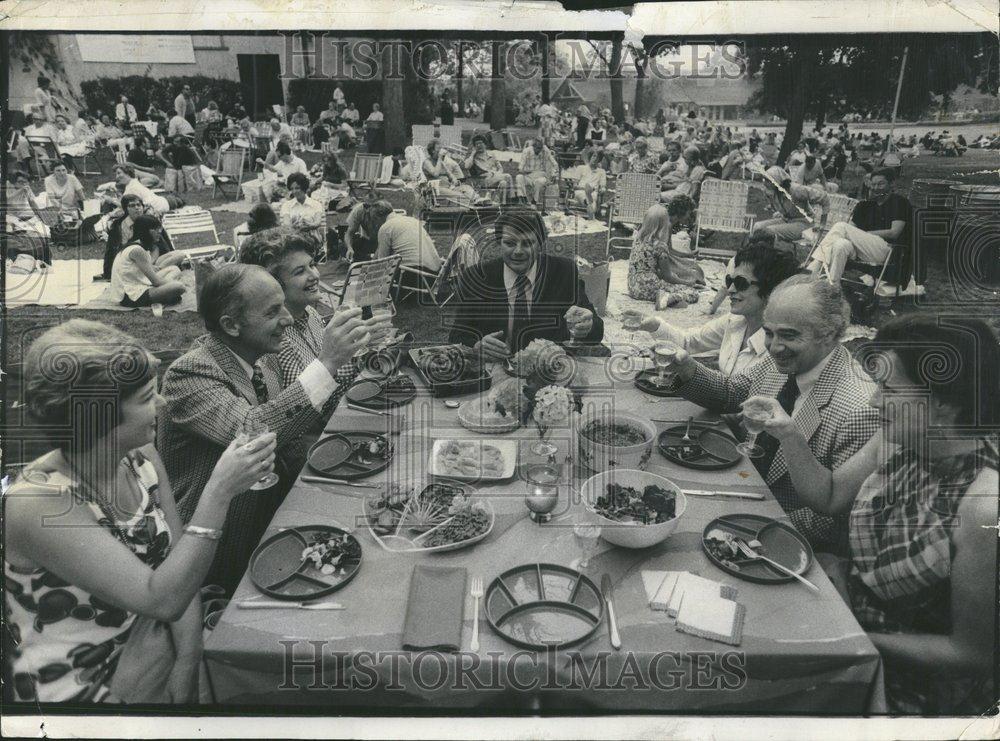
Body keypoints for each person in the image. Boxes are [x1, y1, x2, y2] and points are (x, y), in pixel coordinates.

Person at [3, 319, 276, 703]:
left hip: (158, 647)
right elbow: (161, 597)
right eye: (148, 396)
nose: (161, 403)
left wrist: (188, 662)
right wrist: (218, 493)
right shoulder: (39, 503)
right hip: (83, 691)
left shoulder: (138, 457)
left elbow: (182, 565)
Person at [750, 314, 998, 714]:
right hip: (843, 617)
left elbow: (971, 654)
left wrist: (849, 635)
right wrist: (789, 432)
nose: (873, 400)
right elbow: (828, 496)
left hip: (909, 688)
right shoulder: (901, 436)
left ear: (946, 404)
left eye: (888, 387)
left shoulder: (984, 505)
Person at [157, 263, 372, 591]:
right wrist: (327, 364)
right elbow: (253, 432)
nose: (287, 318)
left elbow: (292, 433)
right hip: (219, 555)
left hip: (273, 526)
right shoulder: (189, 375)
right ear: (231, 325)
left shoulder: (260, 359)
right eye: (273, 311)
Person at [661, 274, 880, 553]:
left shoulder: (858, 409)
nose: (773, 347)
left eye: (789, 335)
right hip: (736, 487)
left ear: (829, 334)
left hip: (773, 538)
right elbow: (731, 393)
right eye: (768, 332)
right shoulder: (786, 357)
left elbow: (837, 519)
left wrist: (751, 524)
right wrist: (688, 369)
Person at [448, 209, 604, 357]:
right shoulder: (476, 277)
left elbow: (597, 333)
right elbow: (457, 337)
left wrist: (588, 326)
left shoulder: (564, 271)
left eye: (527, 243)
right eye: (510, 243)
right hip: (493, 370)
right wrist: (476, 347)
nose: (518, 251)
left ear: (541, 243)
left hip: (549, 372)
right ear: (499, 242)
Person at [238, 228, 366, 401]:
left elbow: (335, 375)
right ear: (271, 284)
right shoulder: (274, 337)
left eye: (312, 265)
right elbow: (304, 404)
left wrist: (361, 350)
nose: (314, 275)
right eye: (300, 271)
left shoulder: (310, 313)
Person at [637, 243, 802, 376]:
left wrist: (691, 371)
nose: (730, 290)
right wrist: (654, 324)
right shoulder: (736, 320)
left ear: (770, 291)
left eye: (741, 283)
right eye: (729, 280)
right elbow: (689, 342)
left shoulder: (778, 350)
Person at [807, 169, 909, 284]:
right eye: (873, 185)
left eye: (881, 184)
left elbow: (894, 232)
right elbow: (850, 229)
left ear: (891, 184)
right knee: (841, 244)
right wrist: (857, 235)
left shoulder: (899, 202)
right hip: (861, 250)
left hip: (886, 250)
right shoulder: (864, 206)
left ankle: (812, 269)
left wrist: (866, 234)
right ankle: (832, 286)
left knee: (841, 226)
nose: (876, 188)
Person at [627, 199, 704, 308]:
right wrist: (687, 283)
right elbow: (667, 276)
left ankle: (667, 296)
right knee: (692, 293)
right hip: (647, 288)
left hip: (632, 287)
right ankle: (668, 298)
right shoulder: (660, 246)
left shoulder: (638, 240)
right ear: (664, 223)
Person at [109, 214, 187, 308]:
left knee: (174, 269)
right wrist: (171, 284)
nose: (159, 232)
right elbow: (156, 282)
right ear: (146, 231)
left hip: (139, 283)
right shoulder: (137, 250)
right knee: (180, 287)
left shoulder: (138, 245)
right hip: (131, 295)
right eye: (156, 229)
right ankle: (167, 294)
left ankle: (166, 294)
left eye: (159, 229)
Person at [751, 166, 828, 252]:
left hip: (804, 223)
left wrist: (823, 222)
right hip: (787, 220)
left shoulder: (796, 190)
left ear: (777, 181)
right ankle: (753, 253)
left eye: (768, 181)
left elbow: (824, 198)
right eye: (765, 180)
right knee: (758, 226)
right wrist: (780, 212)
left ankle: (764, 256)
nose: (765, 183)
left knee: (769, 231)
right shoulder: (772, 191)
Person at [100, 194, 172, 280]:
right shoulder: (118, 226)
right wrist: (108, 272)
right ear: (125, 209)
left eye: (139, 205)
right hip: (130, 262)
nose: (137, 208)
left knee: (177, 256)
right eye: (132, 205)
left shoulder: (150, 221)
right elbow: (112, 251)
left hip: (150, 258)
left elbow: (162, 245)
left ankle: (153, 273)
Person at [366, 202, 442, 275]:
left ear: (379, 217)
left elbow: (382, 263)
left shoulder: (386, 227)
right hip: (434, 272)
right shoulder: (411, 220)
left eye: (374, 220)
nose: (375, 224)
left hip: (416, 273)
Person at [4, 170, 52, 247]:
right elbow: (6, 201)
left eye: (25, 182)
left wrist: (41, 218)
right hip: (9, 216)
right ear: (13, 182)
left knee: (46, 233)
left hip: (23, 215)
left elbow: (32, 203)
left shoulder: (26, 187)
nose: (23, 184)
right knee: (10, 230)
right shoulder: (7, 186)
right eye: (20, 182)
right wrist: (20, 191)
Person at [279, 172, 325, 248]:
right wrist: (296, 226)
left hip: (313, 242)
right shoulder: (286, 205)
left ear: (304, 188)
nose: (294, 192)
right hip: (294, 242)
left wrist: (308, 225)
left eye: (297, 188)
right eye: (292, 189)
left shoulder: (316, 204)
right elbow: (287, 225)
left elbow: (317, 222)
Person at [463, 134, 513, 202]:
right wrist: (472, 154)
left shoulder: (491, 155)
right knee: (508, 176)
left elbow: (500, 168)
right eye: (476, 144)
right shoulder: (474, 157)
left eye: (480, 143)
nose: (479, 145)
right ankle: (512, 199)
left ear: (485, 144)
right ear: (474, 146)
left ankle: (503, 203)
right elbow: (467, 166)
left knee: (503, 182)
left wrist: (497, 174)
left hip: (494, 177)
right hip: (482, 181)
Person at [515, 138, 558, 207]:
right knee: (519, 177)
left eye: (540, 148)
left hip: (541, 175)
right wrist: (526, 171)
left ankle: (534, 201)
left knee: (539, 181)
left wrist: (554, 174)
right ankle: (523, 198)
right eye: (537, 148)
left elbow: (554, 163)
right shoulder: (527, 151)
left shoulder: (545, 150)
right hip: (529, 176)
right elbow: (520, 168)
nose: (539, 150)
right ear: (533, 147)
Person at [569, 149, 607, 219]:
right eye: (594, 156)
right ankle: (588, 204)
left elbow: (603, 186)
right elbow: (574, 186)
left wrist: (602, 189)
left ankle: (587, 201)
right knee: (587, 198)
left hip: (593, 192)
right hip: (581, 191)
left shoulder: (602, 171)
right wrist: (585, 189)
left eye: (598, 157)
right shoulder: (581, 168)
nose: (595, 159)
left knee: (592, 198)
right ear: (590, 157)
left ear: (599, 160)